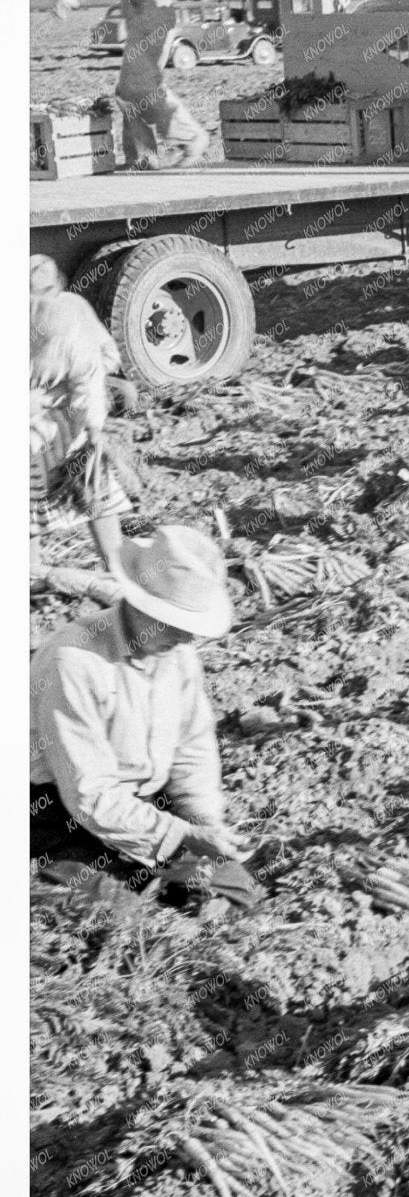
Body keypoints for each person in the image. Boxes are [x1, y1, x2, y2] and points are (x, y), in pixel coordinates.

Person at [29, 525, 260, 913]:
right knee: (125, 918)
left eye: (193, 628)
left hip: (146, 802)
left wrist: (204, 824)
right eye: (176, 624)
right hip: (59, 810)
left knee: (239, 896)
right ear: (140, 605)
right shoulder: (73, 661)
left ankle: (168, 881)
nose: (187, 639)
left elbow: (193, 751)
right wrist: (179, 836)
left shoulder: (179, 656)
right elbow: (91, 794)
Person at [51, 0, 210, 170]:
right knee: (127, 91)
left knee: (141, 87)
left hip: (150, 15)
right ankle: (142, 158)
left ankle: (191, 138)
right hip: (151, 14)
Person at [30, 258, 138, 579]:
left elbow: (93, 371)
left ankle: (113, 567)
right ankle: (33, 574)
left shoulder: (72, 315)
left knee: (90, 486)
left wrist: (92, 427)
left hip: (67, 411)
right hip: (38, 421)